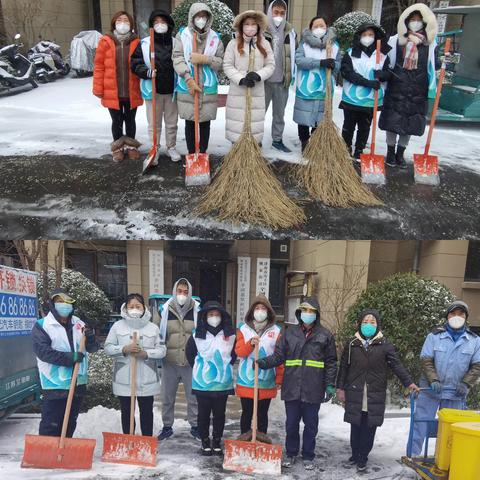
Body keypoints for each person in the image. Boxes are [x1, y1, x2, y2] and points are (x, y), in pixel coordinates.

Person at [257, 296, 337, 471]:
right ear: (299, 313)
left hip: (313, 388)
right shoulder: (289, 333)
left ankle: (308, 455)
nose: (308, 314)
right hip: (292, 386)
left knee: (311, 425)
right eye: (305, 310)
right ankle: (291, 453)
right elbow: (279, 356)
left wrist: (330, 384)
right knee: (291, 424)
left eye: (311, 311)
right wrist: (264, 362)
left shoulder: (325, 335)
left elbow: (331, 361)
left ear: (316, 314)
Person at [336, 309, 418, 473]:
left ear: (377, 325)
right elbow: (344, 367)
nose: (368, 325)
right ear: (360, 324)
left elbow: (396, 365)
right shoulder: (352, 344)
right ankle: (355, 454)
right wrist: (340, 388)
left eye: (372, 322)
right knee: (355, 425)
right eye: (365, 321)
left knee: (369, 426)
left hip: (374, 393)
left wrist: (409, 382)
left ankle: (363, 457)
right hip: (355, 391)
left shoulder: (385, 345)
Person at [410, 301, 480, 456]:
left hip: (455, 392)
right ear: (447, 316)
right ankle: (413, 455)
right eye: (453, 313)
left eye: (460, 314)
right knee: (421, 423)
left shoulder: (474, 340)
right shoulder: (434, 336)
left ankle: (444, 457)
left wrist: (466, 383)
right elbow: (426, 360)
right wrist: (433, 379)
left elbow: (477, 365)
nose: (456, 317)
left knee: (451, 429)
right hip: (430, 390)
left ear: (466, 318)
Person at [378, 3, 440, 168]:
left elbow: (435, 66)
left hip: (417, 90)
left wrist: (443, 60)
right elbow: (386, 62)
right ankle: (390, 151)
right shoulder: (396, 41)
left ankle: (400, 153)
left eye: (419, 20)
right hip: (396, 87)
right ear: (405, 21)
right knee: (392, 120)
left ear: (425, 23)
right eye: (412, 19)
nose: (415, 22)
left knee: (410, 123)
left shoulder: (430, 44)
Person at [32, 289, 99, 437]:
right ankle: (47, 455)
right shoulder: (42, 325)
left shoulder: (79, 323)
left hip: (77, 381)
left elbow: (92, 348)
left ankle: (65, 453)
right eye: (59, 301)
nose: (64, 305)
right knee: (51, 423)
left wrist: (91, 337)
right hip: (54, 383)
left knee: (69, 423)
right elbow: (43, 352)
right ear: (52, 304)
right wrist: (70, 358)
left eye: (67, 301)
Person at [104, 294, 165, 437]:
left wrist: (146, 354)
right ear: (125, 308)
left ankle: (146, 442)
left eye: (138, 306)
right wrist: (124, 349)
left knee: (146, 413)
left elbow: (162, 350)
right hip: (124, 379)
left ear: (144, 308)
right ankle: (128, 440)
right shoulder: (117, 326)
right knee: (127, 413)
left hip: (147, 379)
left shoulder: (153, 328)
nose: (134, 309)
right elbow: (108, 347)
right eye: (131, 306)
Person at [172, 2, 224, 156]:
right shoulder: (183, 35)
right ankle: (190, 153)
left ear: (208, 18)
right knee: (190, 121)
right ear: (192, 17)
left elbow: (220, 62)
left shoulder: (215, 38)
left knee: (205, 123)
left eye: (204, 16)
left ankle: (202, 153)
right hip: (188, 84)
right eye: (198, 16)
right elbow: (177, 58)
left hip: (207, 87)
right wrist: (188, 78)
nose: (201, 19)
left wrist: (204, 59)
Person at [186, 301, 236, 456]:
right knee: (203, 414)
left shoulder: (230, 335)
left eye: (217, 315)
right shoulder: (197, 335)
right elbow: (190, 354)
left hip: (222, 383)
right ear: (205, 316)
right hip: (202, 384)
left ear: (222, 317)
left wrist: (224, 368)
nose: (214, 317)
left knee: (220, 414)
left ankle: (216, 440)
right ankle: (205, 441)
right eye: (211, 315)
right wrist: (200, 369)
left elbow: (233, 355)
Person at [131, 10, 181, 162]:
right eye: (156, 22)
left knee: (172, 122)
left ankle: (171, 147)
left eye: (163, 22)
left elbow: (181, 61)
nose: (160, 25)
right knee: (154, 122)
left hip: (171, 89)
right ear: (152, 25)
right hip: (153, 90)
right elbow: (135, 63)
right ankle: (155, 147)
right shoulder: (145, 43)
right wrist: (146, 72)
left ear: (168, 24)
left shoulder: (175, 42)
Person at [93, 11, 143, 162]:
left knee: (130, 119)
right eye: (119, 20)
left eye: (126, 21)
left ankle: (131, 146)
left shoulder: (136, 42)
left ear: (131, 25)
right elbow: (99, 66)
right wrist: (98, 88)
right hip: (111, 90)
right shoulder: (105, 41)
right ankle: (118, 148)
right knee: (116, 121)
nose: (123, 23)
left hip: (131, 89)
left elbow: (141, 64)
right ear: (114, 23)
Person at [340, 23, 391, 161]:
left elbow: (389, 73)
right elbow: (347, 72)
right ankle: (346, 148)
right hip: (352, 98)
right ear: (359, 37)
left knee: (365, 127)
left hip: (371, 100)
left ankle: (359, 150)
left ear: (376, 37)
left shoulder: (382, 55)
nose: (367, 38)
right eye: (364, 35)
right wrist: (367, 83)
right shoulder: (351, 53)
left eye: (370, 35)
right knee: (348, 126)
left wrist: (383, 74)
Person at [157, 278, 201, 440]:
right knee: (167, 396)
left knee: (193, 397)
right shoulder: (164, 310)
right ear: (174, 291)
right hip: (170, 361)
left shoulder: (197, 310)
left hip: (191, 361)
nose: (182, 295)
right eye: (179, 291)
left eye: (185, 292)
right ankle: (167, 426)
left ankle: (195, 426)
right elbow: (157, 333)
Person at [235, 295, 284, 439]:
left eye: (263, 308)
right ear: (252, 311)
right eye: (257, 308)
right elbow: (239, 352)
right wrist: (250, 344)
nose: (260, 311)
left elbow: (280, 357)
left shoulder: (276, 331)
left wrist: (279, 377)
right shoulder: (243, 329)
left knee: (262, 414)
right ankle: (244, 439)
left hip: (266, 380)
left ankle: (262, 441)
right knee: (247, 412)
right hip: (246, 380)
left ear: (268, 312)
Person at [223, 10, 274, 144]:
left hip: (256, 92)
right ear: (241, 26)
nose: (250, 27)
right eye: (247, 24)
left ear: (258, 26)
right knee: (237, 126)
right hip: (238, 92)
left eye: (253, 24)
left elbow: (270, 65)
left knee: (254, 125)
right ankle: (237, 151)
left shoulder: (265, 44)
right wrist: (241, 79)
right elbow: (227, 65)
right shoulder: (233, 44)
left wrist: (258, 75)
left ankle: (253, 151)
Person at [293, 16, 340, 153]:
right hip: (306, 88)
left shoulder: (334, 46)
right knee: (303, 117)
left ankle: (315, 143)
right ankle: (304, 142)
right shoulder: (304, 44)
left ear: (327, 27)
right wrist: (319, 63)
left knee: (320, 118)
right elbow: (299, 60)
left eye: (322, 26)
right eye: (316, 26)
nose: (319, 29)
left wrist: (333, 64)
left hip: (325, 90)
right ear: (310, 28)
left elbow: (339, 65)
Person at [264, 0, 296, 153]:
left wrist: (291, 74)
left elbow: (293, 55)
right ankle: (253, 140)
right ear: (270, 12)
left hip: (281, 81)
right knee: (258, 113)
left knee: (279, 114)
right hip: (263, 82)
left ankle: (277, 140)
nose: (279, 16)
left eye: (282, 13)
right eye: (276, 12)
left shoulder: (289, 31)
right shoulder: (262, 30)